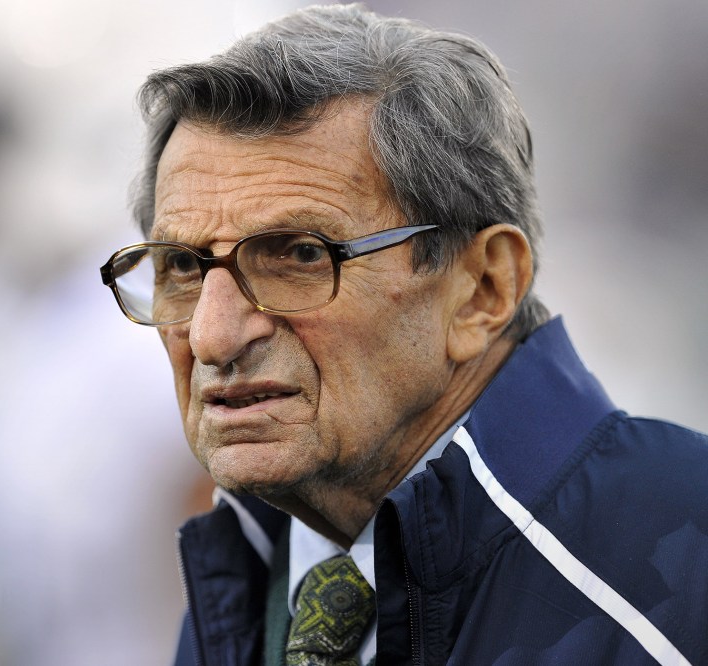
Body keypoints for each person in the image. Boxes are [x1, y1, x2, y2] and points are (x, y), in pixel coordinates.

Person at [99, 4, 708, 665]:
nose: (214, 336)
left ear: (482, 289)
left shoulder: (684, 579)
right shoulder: (254, 577)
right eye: (183, 266)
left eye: (301, 255)